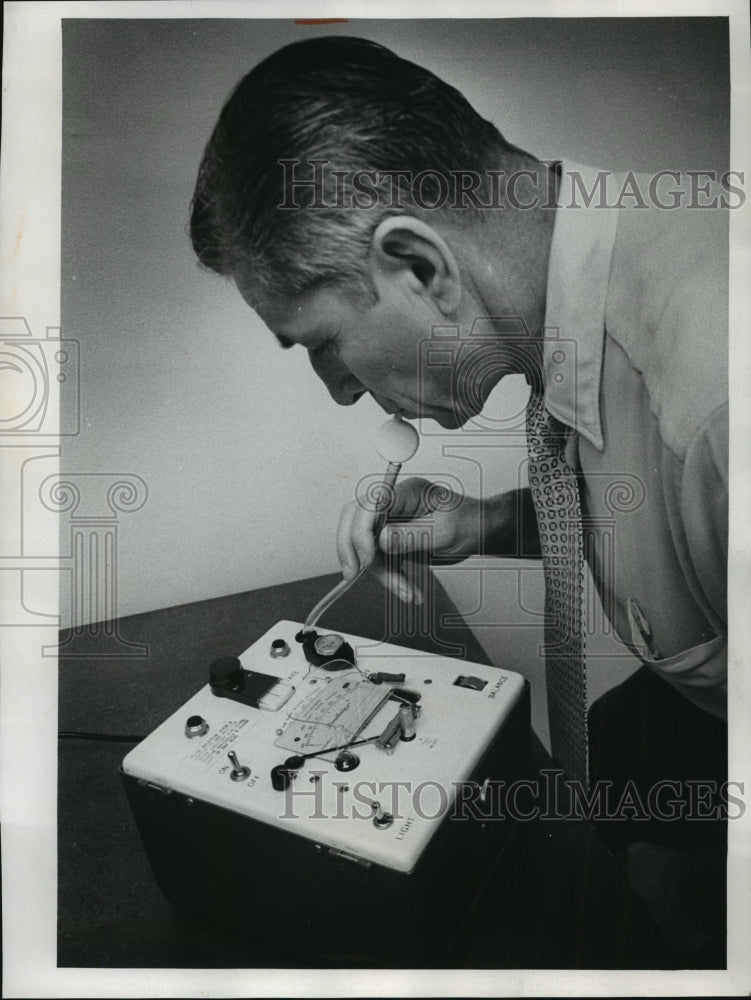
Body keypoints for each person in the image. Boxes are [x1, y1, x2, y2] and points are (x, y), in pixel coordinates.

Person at [190, 35, 728, 960]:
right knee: (595, 755)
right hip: (686, 717)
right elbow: (658, 502)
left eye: (320, 343)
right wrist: (482, 523)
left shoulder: (718, 399)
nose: (341, 391)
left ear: (420, 266)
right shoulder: (591, 270)